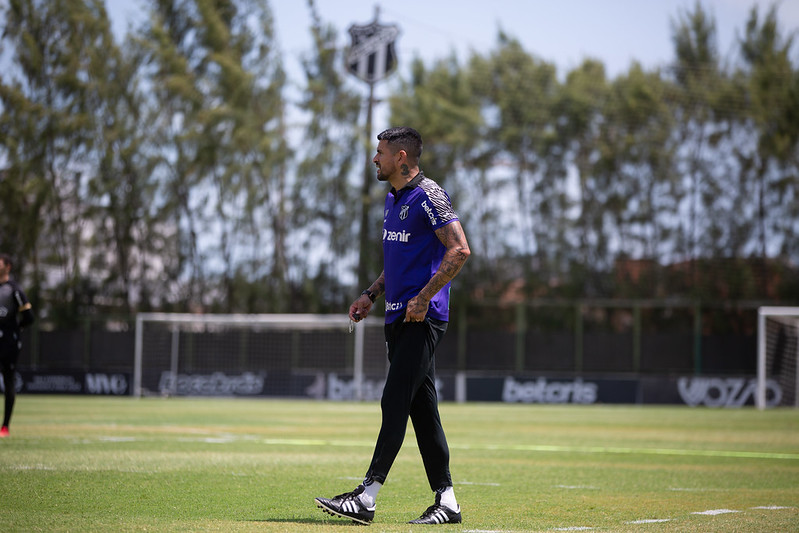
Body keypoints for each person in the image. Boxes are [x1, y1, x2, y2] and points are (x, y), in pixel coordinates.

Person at [315, 127, 471, 525]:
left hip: (422, 318)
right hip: (396, 316)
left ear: (402, 157)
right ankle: (447, 502)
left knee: (394, 400)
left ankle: (366, 496)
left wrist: (423, 297)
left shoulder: (429, 195)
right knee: (424, 413)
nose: (375, 159)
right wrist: (371, 293)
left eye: (380, 152)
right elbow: (400, 259)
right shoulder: (394, 198)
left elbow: (459, 249)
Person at [0, 253, 35, 438]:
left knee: (8, 381)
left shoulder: (14, 290)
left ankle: (4, 426)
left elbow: (29, 317)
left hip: (8, 342)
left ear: (8, 266)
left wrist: (16, 329)